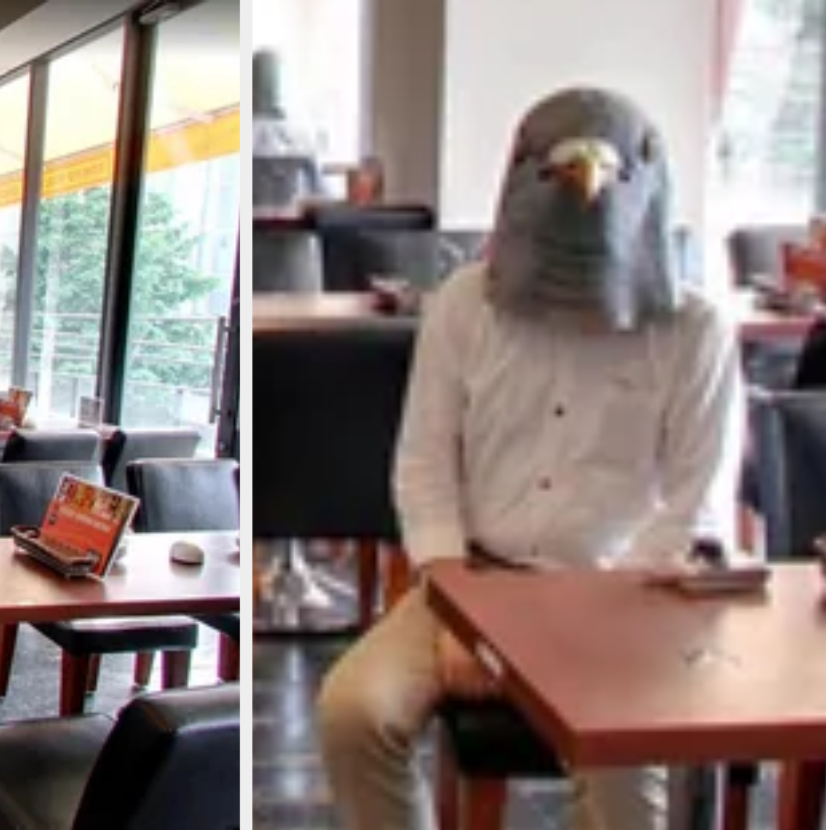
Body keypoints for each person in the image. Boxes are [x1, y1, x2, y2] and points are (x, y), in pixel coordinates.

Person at [316, 88, 744, 830]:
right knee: (354, 713)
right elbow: (425, 466)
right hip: (475, 578)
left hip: (625, 599)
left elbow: (693, 505)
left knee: (621, 768)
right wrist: (460, 614)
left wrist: (578, 623)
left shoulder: (695, 330)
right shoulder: (462, 305)